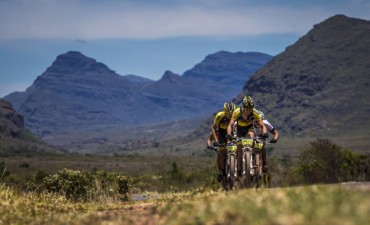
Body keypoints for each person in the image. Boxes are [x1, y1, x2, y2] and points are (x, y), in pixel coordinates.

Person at [226, 96, 268, 176]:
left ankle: (252, 161)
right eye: (246, 108)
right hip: (240, 130)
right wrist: (228, 134)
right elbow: (230, 125)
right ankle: (239, 170)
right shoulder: (237, 112)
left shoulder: (255, 112)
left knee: (251, 136)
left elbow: (262, 125)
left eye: (250, 108)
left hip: (250, 128)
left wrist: (264, 133)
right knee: (238, 151)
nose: (248, 110)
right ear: (243, 107)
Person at [211, 101, 236, 182]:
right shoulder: (220, 116)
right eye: (229, 113)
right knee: (223, 155)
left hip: (231, 134)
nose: (230, 115)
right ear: (225, 112)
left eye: (232, 113)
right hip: (222, 135)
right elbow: (214, 128)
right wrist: (215, 140)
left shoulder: (235, 115)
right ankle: (223, 173)